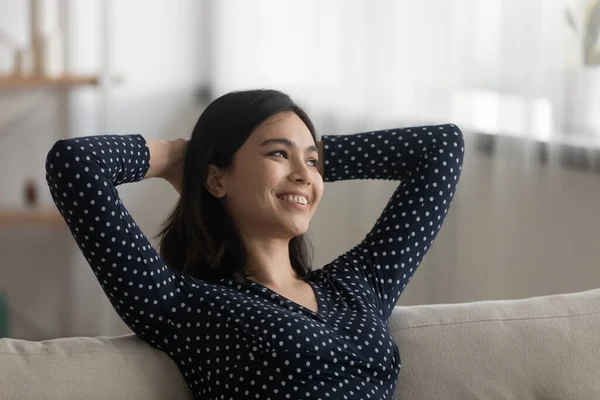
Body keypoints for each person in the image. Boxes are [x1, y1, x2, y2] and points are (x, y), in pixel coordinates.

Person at [45, 89, 464, 399]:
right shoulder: (185, 306)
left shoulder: (358, 286)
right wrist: (180, 157)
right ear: (217, 179)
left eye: (311, 162)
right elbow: (76, 163)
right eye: (277, 154)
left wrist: (308, 162)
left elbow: (443, 147)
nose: (304, 173)